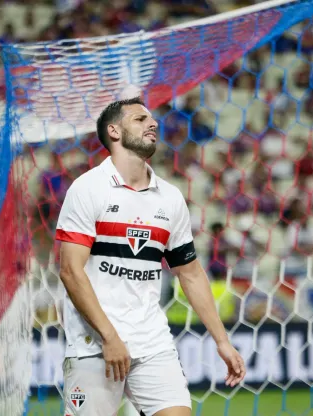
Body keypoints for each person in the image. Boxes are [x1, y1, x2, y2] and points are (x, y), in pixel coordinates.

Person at [55, 97, 246, 416]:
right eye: (140, 119)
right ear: (114, 131)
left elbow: (191, 273)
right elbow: (71, 272)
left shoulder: (169, 198)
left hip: (152, 341)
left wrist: (222, 341)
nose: (153, 123)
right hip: (94, 345)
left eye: (152, 119)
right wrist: (109, 336)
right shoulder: (88, 189)